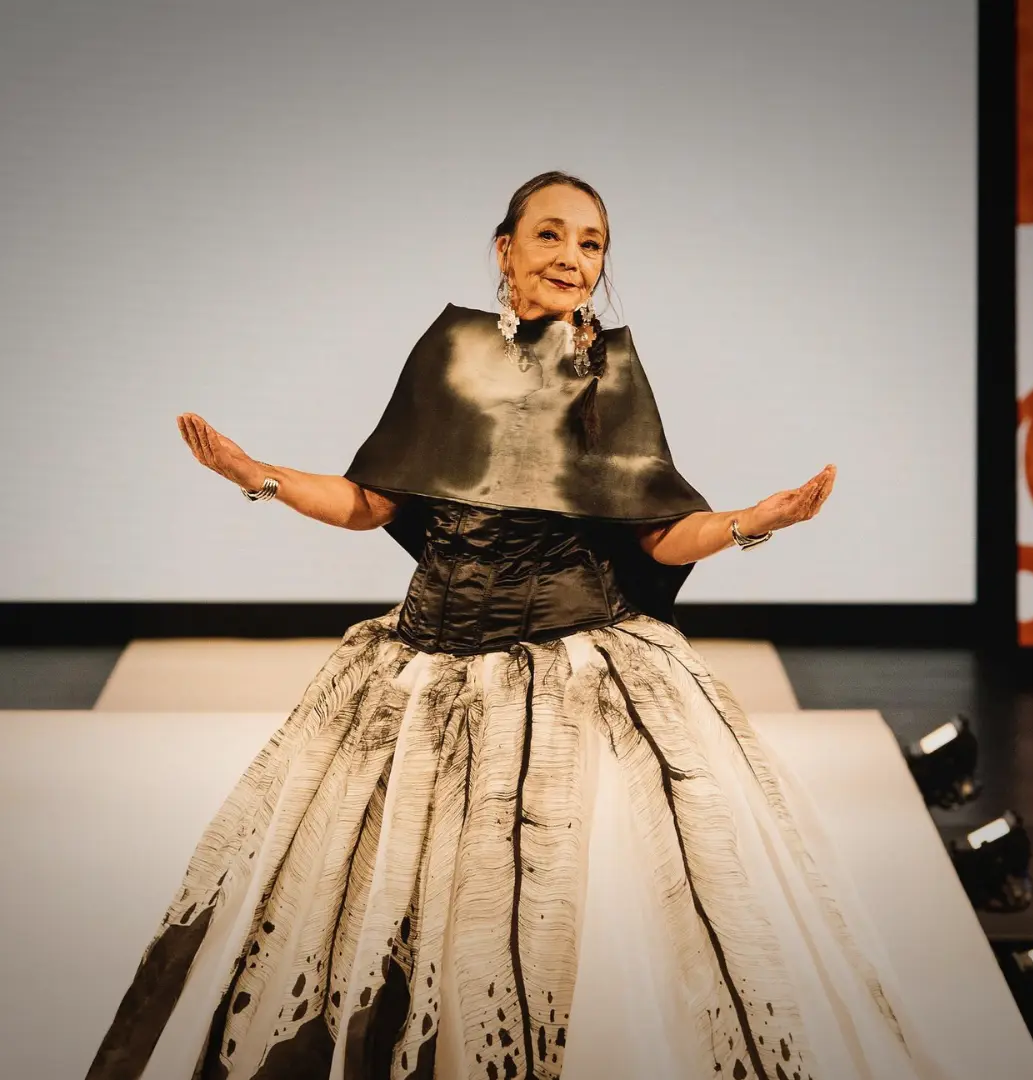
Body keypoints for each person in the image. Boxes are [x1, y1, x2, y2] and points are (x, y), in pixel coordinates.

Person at [85, 172, 926, 1080]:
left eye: (592, 243)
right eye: (552, 236)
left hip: (566, 673)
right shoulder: (448, 351)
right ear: (506, 250)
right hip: (423, 669)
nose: (572, 257)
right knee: (390, 906)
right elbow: (370, 502)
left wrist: (753, 521)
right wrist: (261, 474)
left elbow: (658, 532)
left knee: (552, 918)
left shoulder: (610, 373)